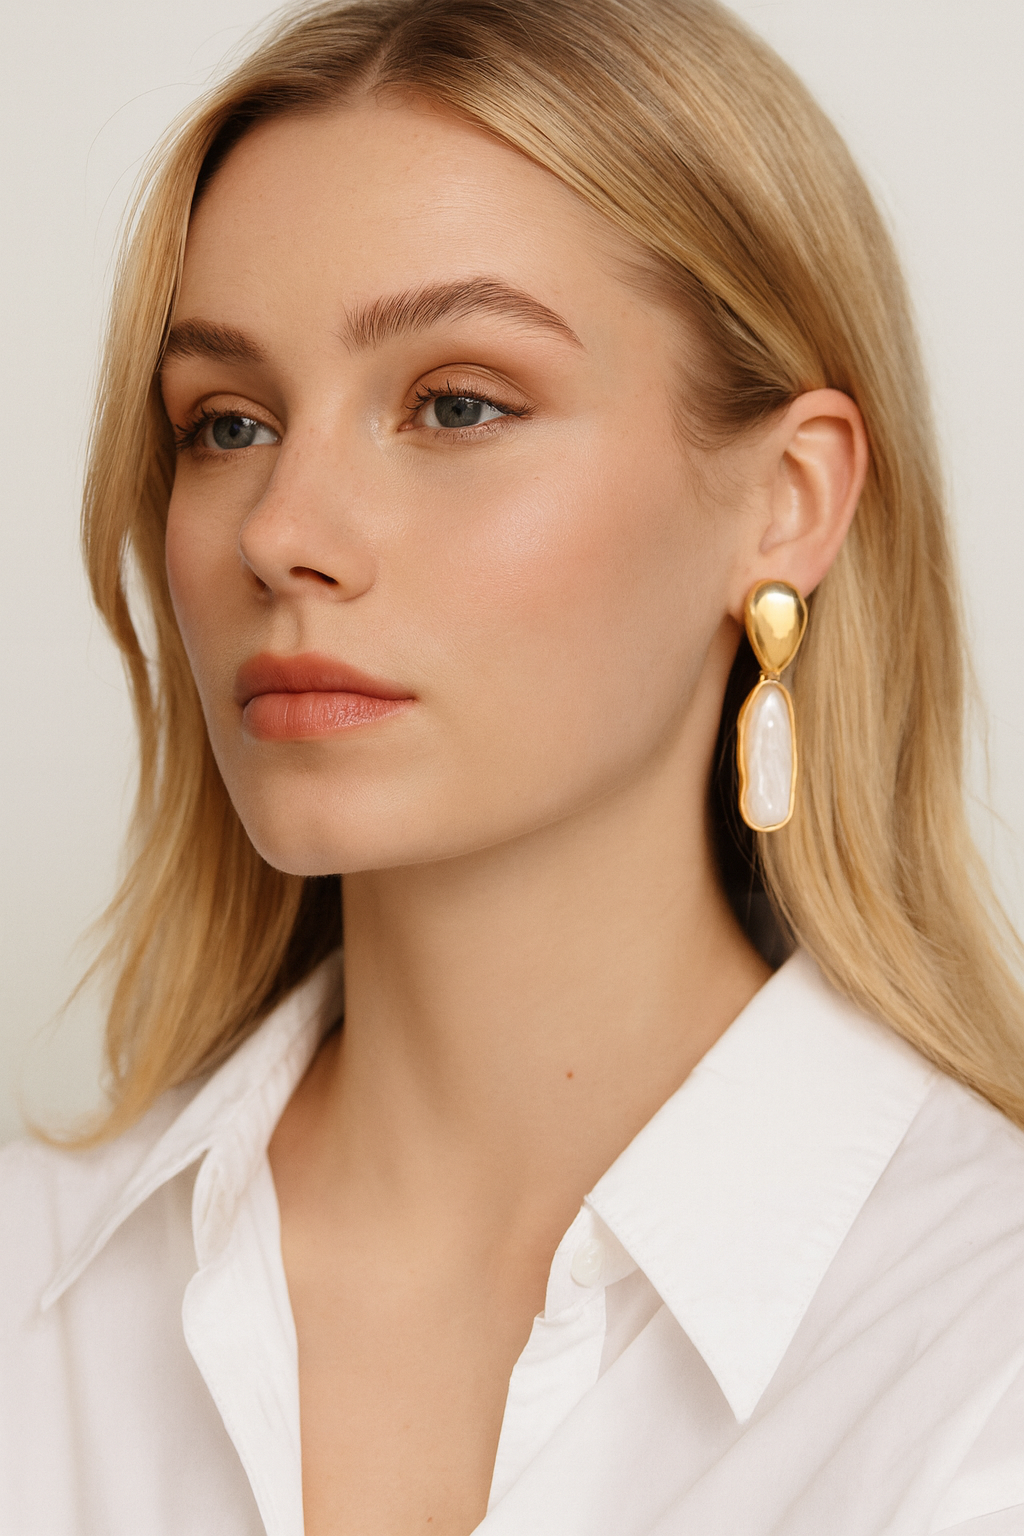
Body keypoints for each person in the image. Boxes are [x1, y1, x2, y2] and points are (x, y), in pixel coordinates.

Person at [3, 0, 1024, 1531]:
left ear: (788, 499)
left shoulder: (980, 1359)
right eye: (228, 424)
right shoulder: (32, 1310)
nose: (282, 531)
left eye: (458, 403)